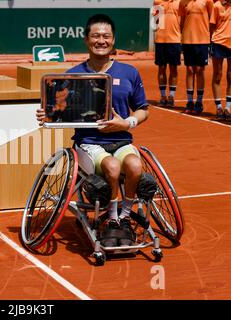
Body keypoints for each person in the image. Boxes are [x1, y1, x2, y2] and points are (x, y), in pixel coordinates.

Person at [36, 14, 149, 247]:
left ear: (113, 40)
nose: (101, 40)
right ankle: (112, 218)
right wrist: (47, 115)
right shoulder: (72, 75)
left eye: (106, 36)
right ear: (87, 40)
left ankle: (125, 216)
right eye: (96, 36)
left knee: (136, 166)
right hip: (89, 143)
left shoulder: (129, 72)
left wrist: (127, 123)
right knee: (113, 166)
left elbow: (142, 110)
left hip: (121, 140)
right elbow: (58, 110)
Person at [179, 0, 214, 115]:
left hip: (202, 40)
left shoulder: (208, 1)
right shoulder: (183, 2)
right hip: (188, 40)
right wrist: (182, 36)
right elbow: (182, 21)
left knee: (199, 70)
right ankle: (190, 102)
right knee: (189, 70)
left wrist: (208, 36)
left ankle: (199, 101)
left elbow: (211, 20)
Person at [152, 0, 182, 108]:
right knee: (162, 68)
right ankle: (163, 96)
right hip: (160, 40)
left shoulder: (179, 2)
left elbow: (182, 21)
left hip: (175, 40)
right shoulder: (157, 2)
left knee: (173, 68)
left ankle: (171, 97)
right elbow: (155, 22)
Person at [210, 0, 231, 121]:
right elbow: (212, 26)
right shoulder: (217, 6)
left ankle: (228, 108)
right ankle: (219, 107)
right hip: (218, 43)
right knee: (218, 75)